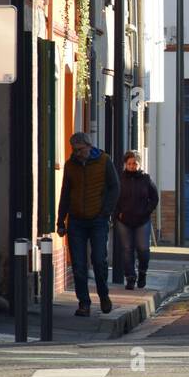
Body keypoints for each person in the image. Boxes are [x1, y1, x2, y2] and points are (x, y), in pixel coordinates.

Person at [57, 132, 119, 316]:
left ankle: (104, 295)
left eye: (79, 149)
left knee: (99, 260)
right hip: (76, 220)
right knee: (78, 264)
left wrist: (106, 211)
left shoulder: (104, 161)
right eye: (74, 150)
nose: (76, 153)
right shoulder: (70, 166)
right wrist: (60, 221)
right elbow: (65, 193)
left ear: (89, 146)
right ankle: (84, 303)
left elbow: (114, 186)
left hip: (98, 219)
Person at [115, 150, 159, 290]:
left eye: (135, 163)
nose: (132, 166)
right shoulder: (120, 179)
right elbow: (113, 197)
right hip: (124, 220)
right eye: (129, 163)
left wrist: (147, 211)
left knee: (143, 249)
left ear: (139, 164)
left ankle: (142, 273)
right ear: (125, 164)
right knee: (127, 249)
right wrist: (117, 213)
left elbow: (154, 198)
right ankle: (130, 278)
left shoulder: (146, 179)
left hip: (142, 220)